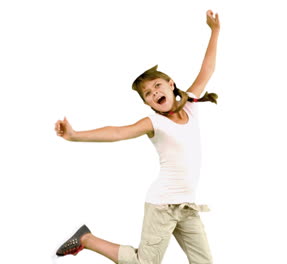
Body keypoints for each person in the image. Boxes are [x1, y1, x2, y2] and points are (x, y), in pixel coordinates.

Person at [54, 9, 220, 264]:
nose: (154, 93)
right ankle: (87, 239)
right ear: (147, 103)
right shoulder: (154, 122)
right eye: (148, 94)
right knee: (145, 262)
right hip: (162, 207)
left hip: (187, 207)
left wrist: (215, 30)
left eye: (157, 86)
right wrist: (75, 135)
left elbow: (207, 70)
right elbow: (117, 133)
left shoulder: (191, 105)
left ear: (171, 84)